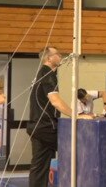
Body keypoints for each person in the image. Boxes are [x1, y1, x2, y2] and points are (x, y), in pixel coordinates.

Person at [28, 47, 89, 187]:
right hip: (46, 127)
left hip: (36, 126)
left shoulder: (41, 74)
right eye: (57, 54)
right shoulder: (48, 75)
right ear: (49, 58)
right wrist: (76, 115)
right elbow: (55, 101)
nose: (61, 56)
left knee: (39, 166)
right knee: (75, 150)